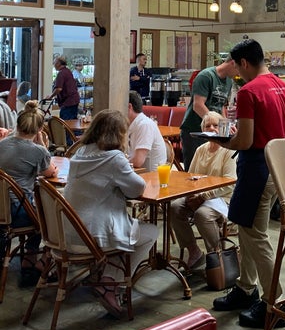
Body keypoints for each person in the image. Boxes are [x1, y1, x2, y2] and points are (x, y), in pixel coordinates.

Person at [211, 38, 285, 329]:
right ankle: (246, 289)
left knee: (256, 235)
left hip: (256, 166)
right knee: (246, 229)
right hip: (276, 165)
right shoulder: (281, 85)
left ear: (244, 62)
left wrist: (220, 142)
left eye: (236, 68)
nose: (236, 74)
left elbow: (244, 140)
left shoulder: (248, 91)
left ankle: (274, 303)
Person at [64, 109, 157, 317]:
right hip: (91, 235)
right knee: (150, 231)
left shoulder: (80, 152)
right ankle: (110, 282)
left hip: (64, 231)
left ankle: (102, 273)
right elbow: (137, 189)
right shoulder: (114, 158)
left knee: (125, 225)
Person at [0, 100, 58, 287]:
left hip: (2, 209)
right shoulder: (37, 152)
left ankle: (28, 257)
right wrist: (41, 144)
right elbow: (51, 172)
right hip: (18, 212)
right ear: (40, 128)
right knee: (47, 217)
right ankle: (33, 259)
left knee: (36, 211)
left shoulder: (2, 144)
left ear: (17, 124)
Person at [170, 111, 236, 270]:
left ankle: (216, 256)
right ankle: (194, 251)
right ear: (202, 129)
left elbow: (230, 183)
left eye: (215, 125)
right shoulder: (201, 149)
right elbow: (190, 177)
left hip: (223, 198)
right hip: (199, 195)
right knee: (174, 207)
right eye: (208, 125)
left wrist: (203, 196)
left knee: (202, 215)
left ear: (222, 129)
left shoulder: (229, 150)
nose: (212, 128)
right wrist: (192, 194)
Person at [179, 56, 238, 170]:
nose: (239, 73)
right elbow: (198, 105)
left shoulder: (229, 81)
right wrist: (218, 124)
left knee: (211, 170)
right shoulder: (206, 76)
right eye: (238, 68)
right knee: (193, 172)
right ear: (232, 63)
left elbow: (220, 106)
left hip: (215, 132)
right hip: (195, 131)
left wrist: (226, 126)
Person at [127, 91, 167, 171]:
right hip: (137, 173)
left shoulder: (145, 125)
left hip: (151, 177)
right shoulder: (134, 123)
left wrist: (118, 162)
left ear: (129, 106)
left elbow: (138, 161)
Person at [44, 56, 80, 121]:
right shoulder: (68, 71)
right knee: (73, 121)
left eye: (54, 62)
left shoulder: (61, 73)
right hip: (74, 100)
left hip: (68, 102)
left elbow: (59, 89)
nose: (53, 64)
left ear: (58, 63)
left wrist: (51, 96)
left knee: (65, 122)